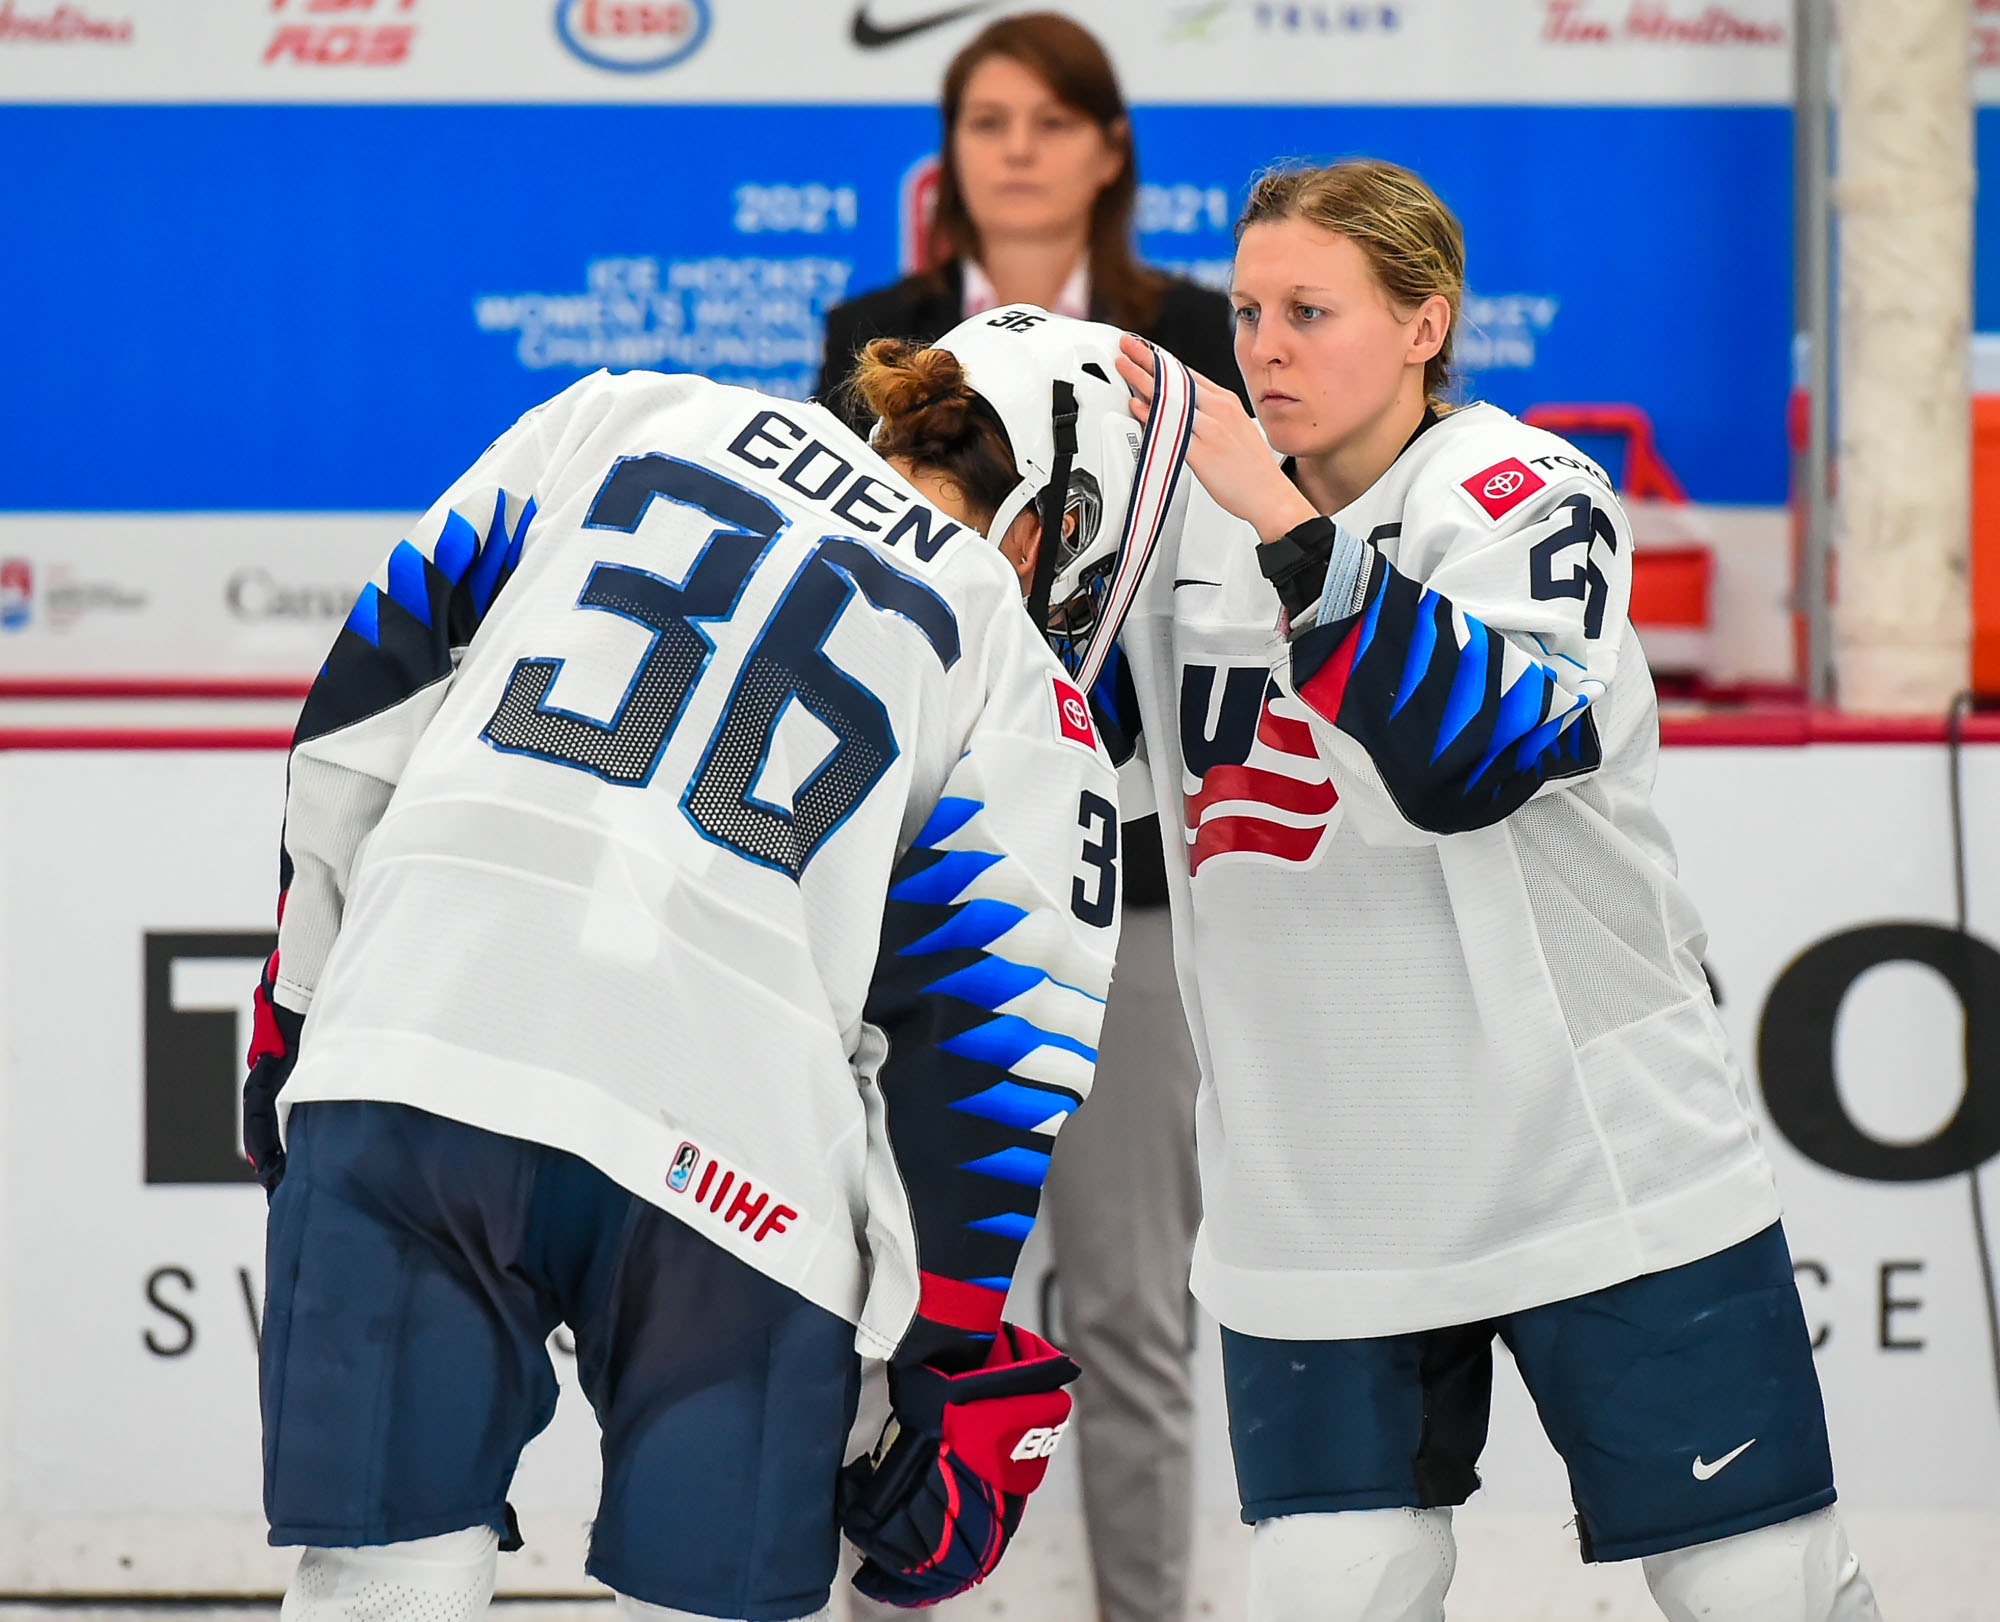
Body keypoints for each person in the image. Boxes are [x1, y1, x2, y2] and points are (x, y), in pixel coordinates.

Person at [237, 319, 1192, 1622]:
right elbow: (983, 1064)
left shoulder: (624, 412)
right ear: (1054, 518)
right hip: (731, 1166)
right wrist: (939, 1360)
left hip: (415, 1048)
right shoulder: (1019, 673)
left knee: (381, 1579)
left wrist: (297, 1007)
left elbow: (368, 697)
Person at [1105, 160, 1885, 1621]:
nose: (1263, 346)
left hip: (1595, 1156)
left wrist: (1285, 531)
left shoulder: (1524, 490)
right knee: (1337, 1586)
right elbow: (1067, 760)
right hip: (1322, 1188)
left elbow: (1479, 754)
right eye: (1248, 309)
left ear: (1424, 324)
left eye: (1311, 311)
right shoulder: (1182, 535)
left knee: (1756, 1587)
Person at [819, 20, 1233, 1617]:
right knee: (887, 1310)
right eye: (985, 120)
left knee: (1131, 1309)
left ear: (1109, 148)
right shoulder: (877, 336)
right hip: (918, 904)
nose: (1017, 150)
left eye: (1050, 121)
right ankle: (889, 1597)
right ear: (951, 151)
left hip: (1121, 892)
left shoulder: (1191, 338)